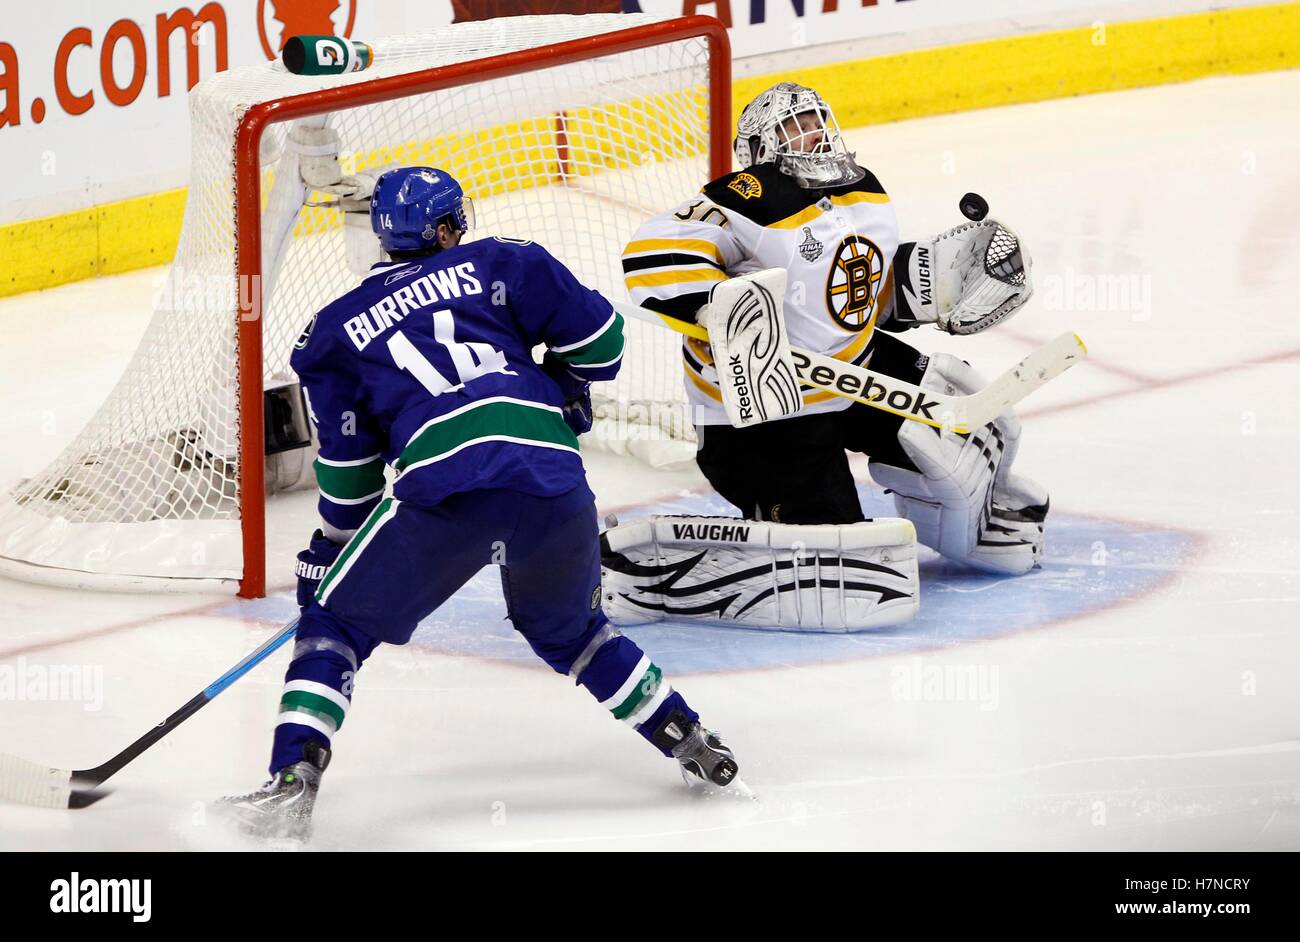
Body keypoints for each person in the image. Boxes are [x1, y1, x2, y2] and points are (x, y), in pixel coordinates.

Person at [224, 167, 740, 840]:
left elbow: (350, 478)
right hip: (554, 484)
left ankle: (291, 779)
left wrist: (326, 554)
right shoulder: (505, 261)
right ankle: (690, 739)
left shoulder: (332, 333)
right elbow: (606, 347)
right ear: (443, 229)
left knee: (335, 627)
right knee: (573, 632)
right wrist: (556, 384)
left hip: (445, 492)